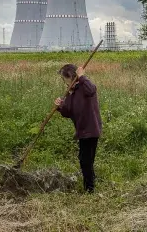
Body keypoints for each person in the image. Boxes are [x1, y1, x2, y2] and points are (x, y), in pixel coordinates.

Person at [54, 64, 102, 194]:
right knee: (86, 159)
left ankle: (89, 189)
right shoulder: (73, 92)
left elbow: (92, 90)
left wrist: (82, 76)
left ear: (70, 76)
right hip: (82, 130)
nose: (64, 82)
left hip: (90, 129)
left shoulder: (84, 87)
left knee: (85, 160)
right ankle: (91, 183)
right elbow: (69, 112)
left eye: (65, 79)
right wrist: (60, 106)